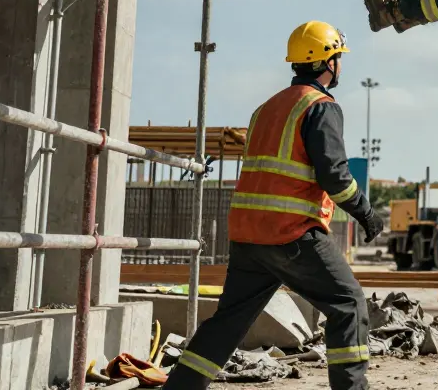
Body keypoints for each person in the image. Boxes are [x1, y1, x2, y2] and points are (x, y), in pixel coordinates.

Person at [164, 21, 387, 390]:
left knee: (230, 320)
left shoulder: (266, 108)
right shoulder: (320, 107)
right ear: (327, 62)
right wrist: (366, 213)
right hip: (291, 233)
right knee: (348, 304)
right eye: (339, 57)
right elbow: (334, 176)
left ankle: (180, 388)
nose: (341, 65)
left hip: (249, 235)